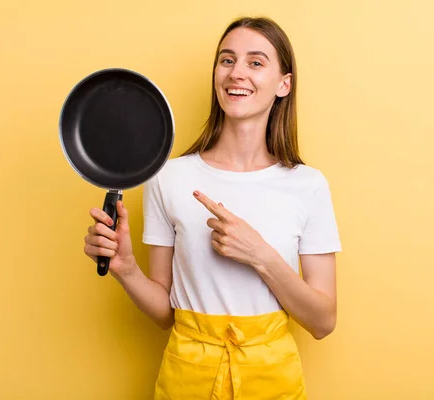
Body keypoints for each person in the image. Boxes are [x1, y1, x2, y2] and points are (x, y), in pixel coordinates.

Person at [83, 16, 342, 400]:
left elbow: (323, 321)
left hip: (273, 382)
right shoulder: (168, 177)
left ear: (283, 84)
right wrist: (126, 269)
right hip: (187, 380)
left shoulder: (308, 185)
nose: (237, 73)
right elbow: (164, 314)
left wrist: (259, 255)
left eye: (255, 62)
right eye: (226, 60)